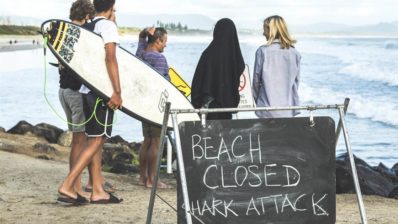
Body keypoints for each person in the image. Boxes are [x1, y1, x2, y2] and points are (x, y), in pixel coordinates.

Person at [58, 0, 123, 204]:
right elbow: (110, 58)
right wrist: (117, 92)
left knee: (94, 139)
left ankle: (97, 190)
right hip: (101, 92)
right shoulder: (107, 26)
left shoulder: (87, 26)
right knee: (96, 140)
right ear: (111, 7)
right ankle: (68, 185)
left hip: (86, 90)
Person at [57, 0, 95, 201]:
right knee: (81, 140)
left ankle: (76, 187)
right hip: (75, 93)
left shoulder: (63, 31)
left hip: (63, 91)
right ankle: (73, 187)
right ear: (88, 16)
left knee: (77, 140)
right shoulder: (81, 34)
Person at [135, 27, 170, 189]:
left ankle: (142, 177)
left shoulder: (141, 55)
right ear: (158, 40)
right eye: (164, 41)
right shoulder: (160, 59)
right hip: (155, 105)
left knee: (146, 141)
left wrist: (143, 34)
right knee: (156, 142)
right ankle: (152, 179)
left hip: (142, 104)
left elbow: (141, 41)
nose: (165, 45)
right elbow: (164, 85)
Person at [191, 18, 245, 120]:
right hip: (227, 109)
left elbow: (197, 85)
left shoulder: (208, 54)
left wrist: (197, 103)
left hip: (209, 109)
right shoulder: (235, 56)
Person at [252, 15, 301, 118]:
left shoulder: (262, 51)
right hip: (288, 110)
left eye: (264, 29)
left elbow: (256, 82)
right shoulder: (295, 53)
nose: (263, 33)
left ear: (271, 30)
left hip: (266, 110)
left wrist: (258, 103)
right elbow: (296, 83)